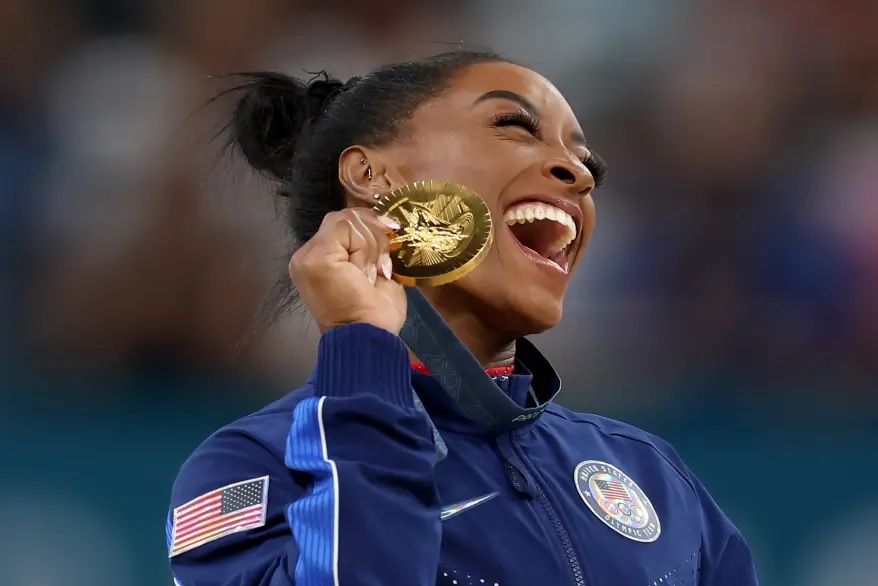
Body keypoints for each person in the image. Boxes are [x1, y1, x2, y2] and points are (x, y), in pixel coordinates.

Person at [166, 50, 758, 586]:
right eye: (514, 126)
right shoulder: (256, 467)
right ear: (371, 177)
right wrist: (361, 345)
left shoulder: (651, 475)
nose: (578, 174)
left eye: (587, 164)